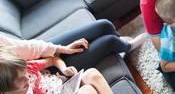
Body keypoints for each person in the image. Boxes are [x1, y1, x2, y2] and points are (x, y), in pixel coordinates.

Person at [0, 20, 145, 69]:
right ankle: (127, 47)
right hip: (45, 75)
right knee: (109, 41)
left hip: (37, 55)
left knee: (104, 26)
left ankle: (119, 44)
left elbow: (25, 47)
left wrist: (63, 49)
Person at [0, 46, 119, 94]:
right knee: (86, 91)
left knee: (92, 73)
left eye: (25, 72)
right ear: (6, 88)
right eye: (20, 80)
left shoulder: (28, 68)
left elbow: (52, 60)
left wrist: (64, 69)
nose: (27, 77)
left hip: (64, 88)